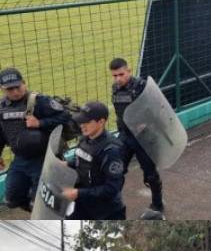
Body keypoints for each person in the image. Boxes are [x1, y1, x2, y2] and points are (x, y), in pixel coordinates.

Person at [0, 68, 70, 212]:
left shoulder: (38, 101)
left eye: (17, 87)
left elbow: (65, 116)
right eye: (9, 89)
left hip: (42, 159)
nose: (15, 92)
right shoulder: (1, 108)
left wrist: (40, 123)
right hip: (19, 160)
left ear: (24, 83)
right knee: (11, 200)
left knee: (40, 203)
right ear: (2, 89)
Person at [109, 58, 164, 212]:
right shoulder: (115, 88)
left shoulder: (142, 87)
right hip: (125, 136)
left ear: (129, 71)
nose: (118, 78)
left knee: (150, 175)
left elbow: (159, 108)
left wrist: (146, 122)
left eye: (121, 74)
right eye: (114, 75)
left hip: (143, 138)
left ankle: (157, 204)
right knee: (116, 171)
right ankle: (113, 204)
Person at [64, 101, 126, 219]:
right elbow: (83, 162)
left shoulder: (112, 150)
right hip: (84, 203)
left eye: (87, 122)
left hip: (106, 211)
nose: (82, 125)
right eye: (81, 121)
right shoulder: (84, 139)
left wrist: (78, 193)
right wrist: (66, 163)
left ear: (101, 122)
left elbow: (112, 189)